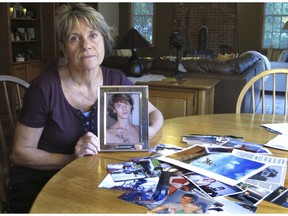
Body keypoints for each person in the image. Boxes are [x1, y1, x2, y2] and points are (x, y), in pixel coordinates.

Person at [6, 3, 163, 213]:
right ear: (64, 48)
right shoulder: (44, 88)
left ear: (104, 41)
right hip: (43, 183)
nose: (85, 45)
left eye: (93, 35)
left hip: (95, 178)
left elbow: (155, 114)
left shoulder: (116, 79)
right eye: (74, 38)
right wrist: (71, 159)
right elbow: (20, 153)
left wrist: (145, 132)